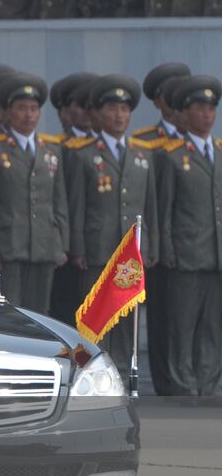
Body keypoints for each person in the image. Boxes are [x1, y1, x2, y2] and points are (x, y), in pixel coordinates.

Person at [67, 75, 159, 374]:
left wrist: (152, 246)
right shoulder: (84, 155)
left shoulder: (143, 154)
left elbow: (151, 206)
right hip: (99, 250)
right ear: (98, 114)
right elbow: (77, 207)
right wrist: (78, 248)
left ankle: (123, 372)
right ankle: (94, 375)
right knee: (97, 318)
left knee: (127, 320)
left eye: (124, 109)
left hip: (131, 255)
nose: (119, 116)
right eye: (111, 109)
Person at [0, 73, 68, 313]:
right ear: (8, 112)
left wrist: (62, 243)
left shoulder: (51, 150)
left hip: (44, 243)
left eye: (34, 109)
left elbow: (59, 200)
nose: (28, 115)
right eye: (22, 108)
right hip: (8, 242)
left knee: (40, 310)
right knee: (10, 309)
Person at [155, 75, 222, 397]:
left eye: (211, 109)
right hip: (187, 254)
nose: (207, 115)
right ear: (185, 112)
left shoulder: (220, 153)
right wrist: (167, 250)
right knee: (182, 327)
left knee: (212, 327)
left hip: (217, 255)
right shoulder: (172, 156)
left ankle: (208, 385)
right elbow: (164, 209)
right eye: (200, 109)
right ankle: (183, 386)